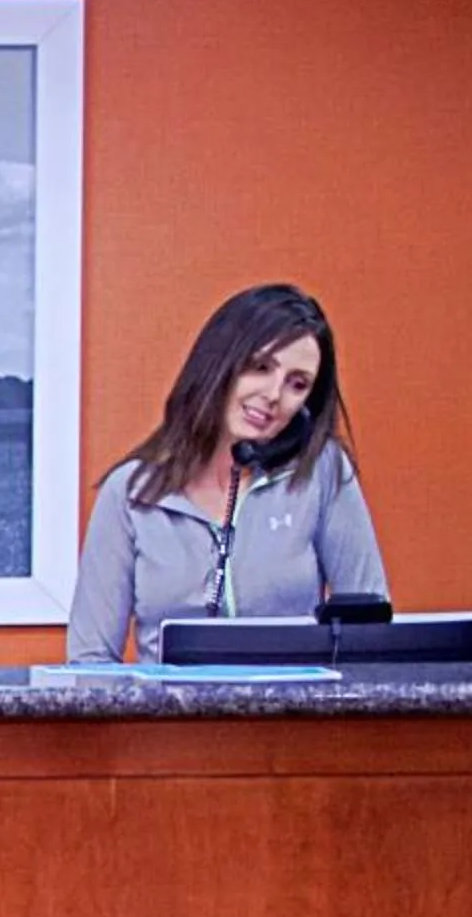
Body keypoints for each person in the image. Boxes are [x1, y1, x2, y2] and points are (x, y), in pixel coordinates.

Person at [65, 283, 387, 665]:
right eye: (261, 367)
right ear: (220, 362)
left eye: (297, 384)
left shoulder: (324, 472)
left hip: (293, 719)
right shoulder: (130, 493)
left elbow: (372, 639)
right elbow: (90, 660)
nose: (273, 394)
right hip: (170, 720)